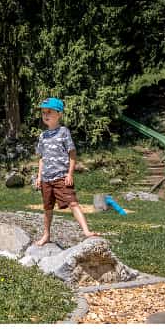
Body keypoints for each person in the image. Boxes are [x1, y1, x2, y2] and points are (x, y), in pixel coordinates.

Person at [32, 97, 99, 246]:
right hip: (46, 179)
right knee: (47, 208)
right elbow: (41, 158)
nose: (45, 115)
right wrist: (39, 177)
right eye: (43, 112)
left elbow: (72, 153)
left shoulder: (63, 132)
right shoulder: (42, 136)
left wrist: (69, 174)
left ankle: (86, 231)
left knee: (73, 203)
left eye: (49, 112)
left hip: (61, 176)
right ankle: (46, 235)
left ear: (59, 114)